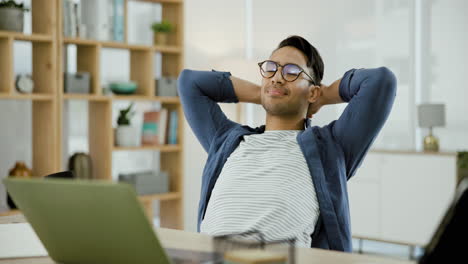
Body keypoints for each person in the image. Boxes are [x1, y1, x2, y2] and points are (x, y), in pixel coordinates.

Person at [177, 35, 396, 251]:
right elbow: (189, 82)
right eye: (271, 68)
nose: (277, 77)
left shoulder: (330, 147)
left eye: (291, 72)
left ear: (313, 91)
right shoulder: (228, 140)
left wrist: (324, 95)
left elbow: (379, 81)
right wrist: (264, 93)